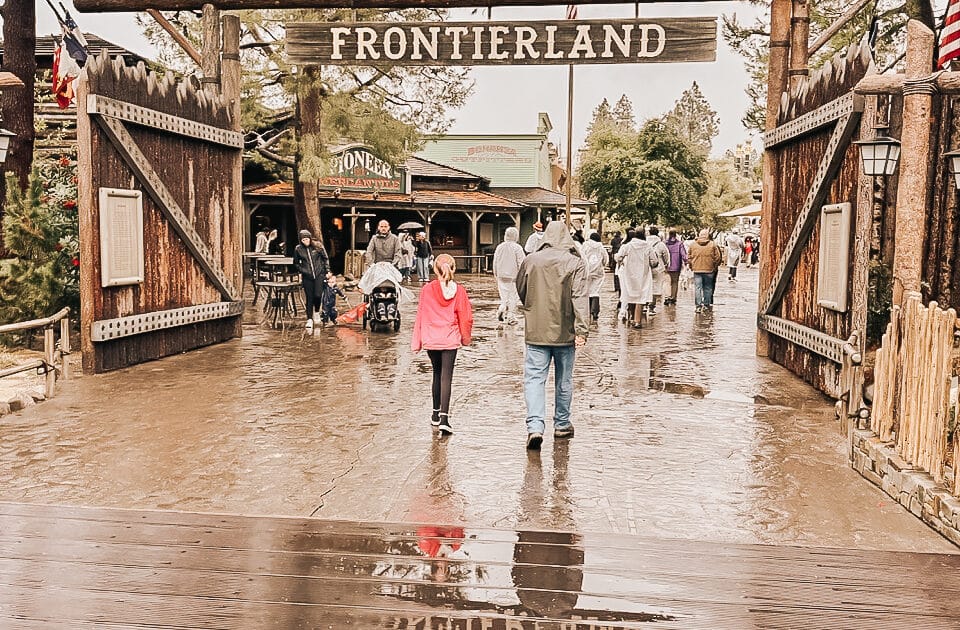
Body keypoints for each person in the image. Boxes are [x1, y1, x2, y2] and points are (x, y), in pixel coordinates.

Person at [516, 222, 588, 450]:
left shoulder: (531, 260)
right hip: (565, 331)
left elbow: (521, 288)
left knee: (534, 379)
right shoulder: (575, 263)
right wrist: (582, 329)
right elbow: (580, 298)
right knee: (564, 379)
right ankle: (562, 424)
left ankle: (535, 427)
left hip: (536, 329)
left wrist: (532, 306)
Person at [411, 254, 474, 436]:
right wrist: (465, 338)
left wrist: (417, 341)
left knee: (436, 373)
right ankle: (445, 419)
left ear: (434, 269)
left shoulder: (426, 290)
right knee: (447, 376)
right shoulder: (459, 291)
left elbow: (420, 315)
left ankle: (435, 414)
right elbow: (466, 317)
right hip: (450, 338)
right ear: (453, 268)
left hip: (431, 338)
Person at [614, 230, 660, 327]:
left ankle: (631, 317)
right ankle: (637, 321)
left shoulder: (627, 246)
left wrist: (621, 262)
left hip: (629, 274)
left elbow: (618, 257)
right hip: (643, 275)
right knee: (641, 297)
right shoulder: (647, 246)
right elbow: (654, 261)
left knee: (630, 294)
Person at [292, 229, 329, 328]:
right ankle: (309, 319)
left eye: (307, 239)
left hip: (319, 274)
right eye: (303, 240)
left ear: (310, 238)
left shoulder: (318, 246)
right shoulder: (298, 249)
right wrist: (302, 270)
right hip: (307, 276)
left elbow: (325, 258)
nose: (305, 241)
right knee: (309, 297)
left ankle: (316, 311)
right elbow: (296, 263)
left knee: (318, 295)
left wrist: (327, 270)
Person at [492, 226, 526, 325]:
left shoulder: (500, 247)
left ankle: (502, 308)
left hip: (501, 276)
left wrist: (495, 273)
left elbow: (495, 261)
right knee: (513, 297)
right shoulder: (517, 248)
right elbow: (522, 263)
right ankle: (511, 316)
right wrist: (523, 275)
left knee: (504, 296)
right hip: (514, 277)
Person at [688, 228, 723, 313]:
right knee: (708, 287)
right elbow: (718, 257)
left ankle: (698, 306)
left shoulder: (693, 245)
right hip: (709, 269)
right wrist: (714, 266)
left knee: (697, 288)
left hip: (697, 269)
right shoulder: (713, 245)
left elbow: (689, 257)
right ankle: (706, 304)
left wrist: (691, 266)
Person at [580, 232, 608, 321]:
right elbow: (606, 259)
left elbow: (581, 257)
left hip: (587, 271)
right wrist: (602, 265)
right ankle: (595, 311)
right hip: (598, 272)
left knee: (587, 290)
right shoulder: (601, 247)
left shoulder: (585, 246)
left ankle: (588, 309)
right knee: (595, 290)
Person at [646, 227, 670, 315]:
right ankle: (651, 307)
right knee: (655, 287)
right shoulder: (661, 244)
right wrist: (666, 265)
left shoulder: (645, 242)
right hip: (658, 268)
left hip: (646, 268)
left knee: (646, 286)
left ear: (649, 233)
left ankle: (644, 305)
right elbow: (666, 256)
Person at [664, 229, 688, 306]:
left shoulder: (665, 243)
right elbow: (684, 255)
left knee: (667, 282)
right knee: (675, 282)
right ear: (675, 234)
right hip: (676, 265)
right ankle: (673, 298)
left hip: (666, 266)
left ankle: (667, 297)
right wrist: (686, 261)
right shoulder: (679, 244)